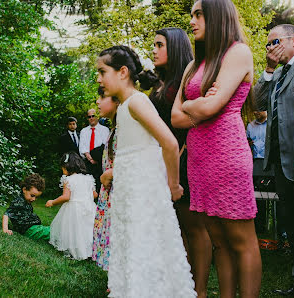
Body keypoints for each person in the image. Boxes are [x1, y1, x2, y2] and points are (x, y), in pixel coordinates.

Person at [171, 0, 261, 296]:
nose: (192, 21)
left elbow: (212, 105)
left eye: (199, 14)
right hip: (199, 158)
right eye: (192, 15)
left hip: (227, 154)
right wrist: (197, 106)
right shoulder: (194, 65)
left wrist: (197, 106)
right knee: (218, 239)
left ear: (218, 16)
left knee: (241, 239)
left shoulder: (238, 52)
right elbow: (176, 117)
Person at [97, 45, 197, 297]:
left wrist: (173, 185)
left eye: (102, 72)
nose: (99, 79)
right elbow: (133, 152)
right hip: (128, 192)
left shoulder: (137, 102)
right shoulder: (123, 107)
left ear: (122, 72)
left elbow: (170, 143)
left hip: (145, 192)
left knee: (146, 244)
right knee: (131, 244)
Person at [253, 23, 294, 296]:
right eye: (267, 44)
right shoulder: (277, 73)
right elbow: (256, 102)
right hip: (279, 164)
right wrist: (268, 70)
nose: (270, 48)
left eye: (274, 42)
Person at [150, 27, 212, 296]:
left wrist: (180, 154)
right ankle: (180, 283)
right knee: (175, 227)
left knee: (194, 228)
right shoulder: (158, 83)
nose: (153, 49)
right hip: (160, 162)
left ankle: (199, 290)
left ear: (173, 47)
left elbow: (192, 123)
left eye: (159, 44)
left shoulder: (185, 83)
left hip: (184, 160)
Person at [46, 152, 98, 260]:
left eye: (62, 168)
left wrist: (53, 202)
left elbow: (66, 197)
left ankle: (76, 251)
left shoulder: (68, 180)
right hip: (88, 207)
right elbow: (94, 195)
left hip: (74, 209)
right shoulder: (88, 178)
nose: (62, 171)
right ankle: (89, 251)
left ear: (66, 166)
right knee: (87, 229)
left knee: (74, 230)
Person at [92, 87, 119, 271]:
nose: (97, 102)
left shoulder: (125, 128)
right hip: (108, 190)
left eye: (102, 97)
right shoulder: (114, 127)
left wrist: (111, 172)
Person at [2, 173, 50, 241]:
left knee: (49, 230)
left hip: (33, 227)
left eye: (36, 197)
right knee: (50, 232)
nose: (34, 199)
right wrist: (5, 229)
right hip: (28, 230)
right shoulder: (18, 202)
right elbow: (6, 214)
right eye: (32, 195)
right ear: (24, 189)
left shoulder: (26, 201)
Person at [79, 109, 110, 191]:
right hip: (87, 163)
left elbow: (105, 146)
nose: (91, 118)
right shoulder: (84, 131)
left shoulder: (105, 130)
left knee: (100, 185)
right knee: (88, 186)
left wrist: (96, 158)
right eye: (89, 117)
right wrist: (90, 159)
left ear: (97, 117)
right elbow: (82, 147)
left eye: (93, 116)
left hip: (100, 162)